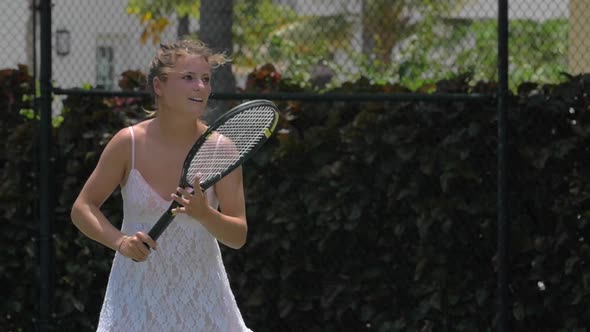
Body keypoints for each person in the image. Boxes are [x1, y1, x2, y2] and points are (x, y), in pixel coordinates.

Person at [70, 39, 252, 331]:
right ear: (159, 86)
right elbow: (82, 208)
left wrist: (205, 214)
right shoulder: (127, 143)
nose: (201, 87)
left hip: (204, 304)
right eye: (188, 78)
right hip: (134, 301)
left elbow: (237, 235)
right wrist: (120, 242)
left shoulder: (223, 150)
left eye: (205, 79)